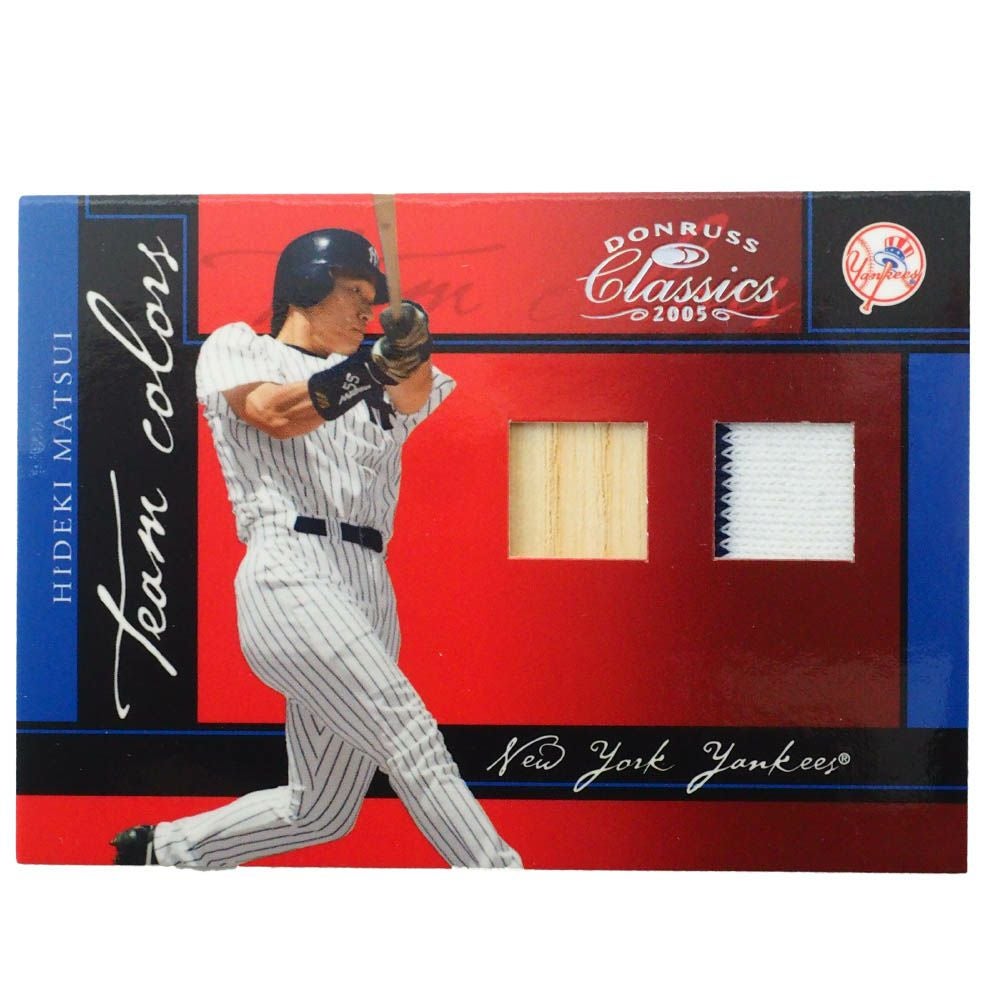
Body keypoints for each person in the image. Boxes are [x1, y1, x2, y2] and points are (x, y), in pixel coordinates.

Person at [110, 228, 522, 869]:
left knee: (322, 810)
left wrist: (410, 344)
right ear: (307, 285)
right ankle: (502, 880)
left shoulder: (374, 374)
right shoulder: (240, 345)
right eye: (355, 292)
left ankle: (163, 851)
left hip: (369, 582)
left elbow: (413, 394)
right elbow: (274, 414)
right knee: (410, 735)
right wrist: (374, 366)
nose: (366, 310)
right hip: (291, 570)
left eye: (372, 300)